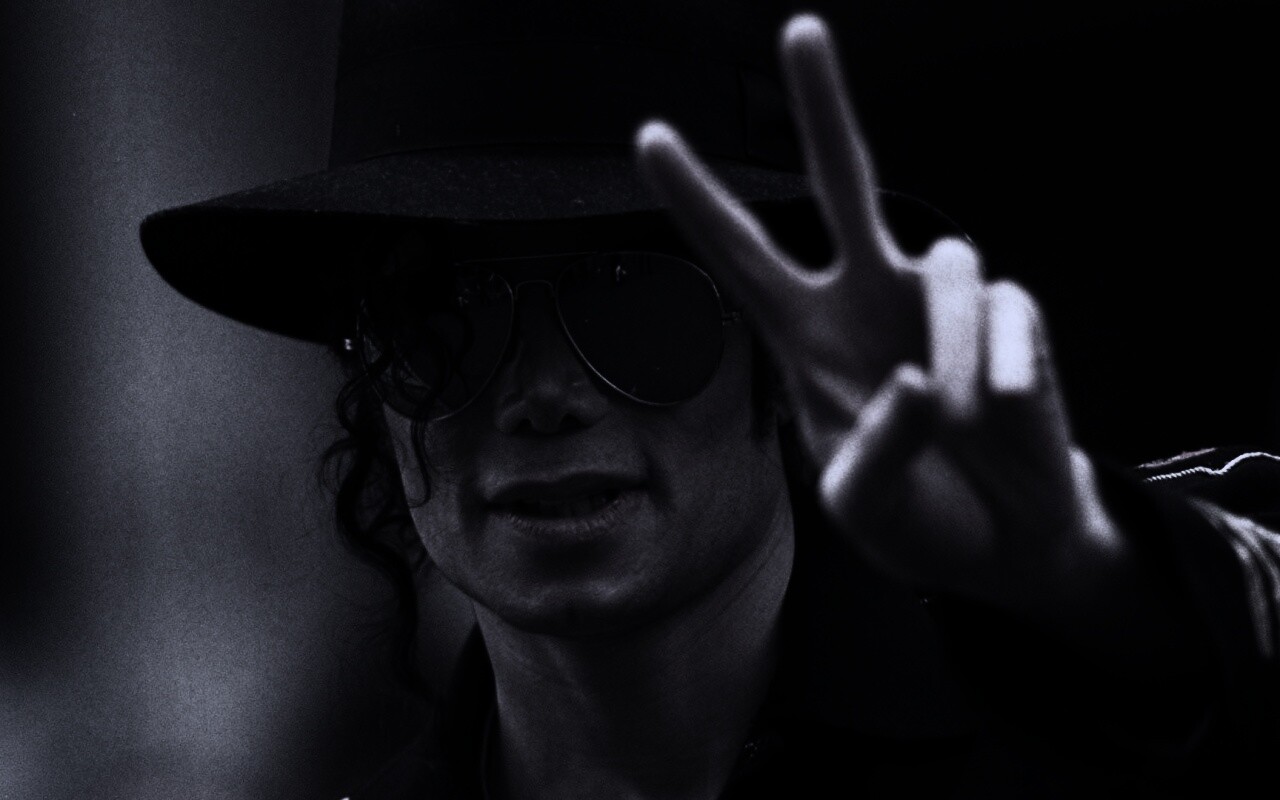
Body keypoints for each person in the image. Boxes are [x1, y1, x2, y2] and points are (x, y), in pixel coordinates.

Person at [139, 0, 1279, 796]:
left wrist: (1085, 576)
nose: (543, 394)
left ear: (779, 345)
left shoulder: (1079, 706)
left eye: (636, 302)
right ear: (373, 386)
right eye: (445, 316)